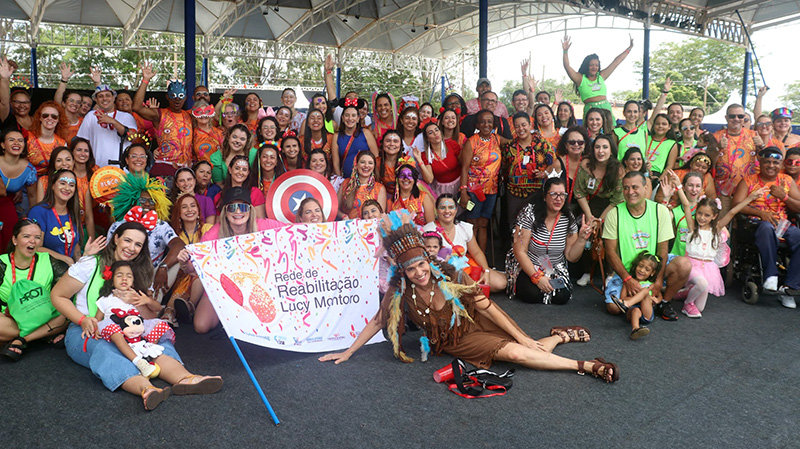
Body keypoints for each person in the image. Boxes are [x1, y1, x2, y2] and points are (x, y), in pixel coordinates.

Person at [319, 212, 618, 384]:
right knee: (517, 353)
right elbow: (377, 321)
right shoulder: (400, 290)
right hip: (456, 342)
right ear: (403, 271)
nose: (419, 272)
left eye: (422, 264)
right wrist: (348, 352)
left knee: (522, 349)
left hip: (478, 322)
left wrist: (523, 336)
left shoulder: (450, 275)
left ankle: (583, 363)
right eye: (411, 269)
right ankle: (565, 344)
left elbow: (489, 308)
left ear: (428, 260)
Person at [51, 221, 223, 411]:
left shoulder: (138, 273)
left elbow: (148, 317)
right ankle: (147, 389)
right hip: (88, 331)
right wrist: (83, 320)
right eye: (127, 240)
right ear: (116, 239)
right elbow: (57, 295)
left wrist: (136, 300)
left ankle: (186, 379)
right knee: (105, 349)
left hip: (131, 329)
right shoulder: (90, 264)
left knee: (157, 342)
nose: (131, 248)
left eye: (138, 244)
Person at [176, 187, 285, 333]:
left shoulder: (264, 226)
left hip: (257, 287)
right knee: (201, 326)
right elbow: (193, 268)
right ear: (225, 212)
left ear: (250, 210)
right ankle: (227, 314)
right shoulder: (213, 233)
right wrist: (184, 262)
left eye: (242, 207)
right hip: (222, 289)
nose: (238, 212)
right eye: (232, 207)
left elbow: (294, 233)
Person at [668, 170, 766, 317]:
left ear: (714, 216)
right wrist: (678, 186)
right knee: (702, 284)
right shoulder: (692, 227)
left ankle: (686, 293)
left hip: (708, 268)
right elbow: (687, 205)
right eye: (700, 214)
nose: (701, 218)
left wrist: (751, 197)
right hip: (692, 265)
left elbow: (733, 212)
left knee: (700, 307)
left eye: (707, 215)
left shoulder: (716, 229)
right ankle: (687, 304)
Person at [603, 171, 691, 321]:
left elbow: (663, 250)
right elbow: (610, 252)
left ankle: (663, 301)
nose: (630, 192)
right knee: (613, 308)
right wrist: (628, 279)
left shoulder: (660, 211)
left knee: (684, 265)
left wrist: (657, 280)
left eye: (635, 187)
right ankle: (643, 299)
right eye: (626, 188)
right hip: (627, 270)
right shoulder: (614, 214)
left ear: (645, 188)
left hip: (653, 268)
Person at [507, 178, 593, 304]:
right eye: (553, 194)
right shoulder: (529, 213)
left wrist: (581, 239)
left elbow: (571, 257)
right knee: (532, 293)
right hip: (530, 264)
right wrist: (537, 278)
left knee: (561, 296)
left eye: (562, 195)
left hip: (554, 268)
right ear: (544, 197)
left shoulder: (568, 218)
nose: (558, 199)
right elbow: (520, 251)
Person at [732, 148, 800, 301]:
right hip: (755, 224)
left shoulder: (786, 181)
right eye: (767, 162)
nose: (771, 165)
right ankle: (771, 276)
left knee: (798, 236)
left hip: (781, 224)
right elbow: (736, 204)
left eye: (776, 162)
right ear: (760, 163)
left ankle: (791, 285)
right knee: (766, 227)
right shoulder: (748, 180)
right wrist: (760, 213)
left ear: (780, 164)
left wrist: (785, 197)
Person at [0, 219, 71, 361]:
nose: (32, 241)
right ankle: (42, 336)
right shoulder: (2, 263)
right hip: (12, 320)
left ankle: (21, 341)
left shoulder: (48, 261)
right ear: (14, 240)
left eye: (37, 237)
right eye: (26, 236)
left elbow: (69, 289)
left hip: (45, 317)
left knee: (68, 314)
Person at [107, 173, 182, 304]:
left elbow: (180, 245)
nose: (147, 204)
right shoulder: (118, 225)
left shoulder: (161, 225)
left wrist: (163, 267)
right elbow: (108, 254)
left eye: (151, 201)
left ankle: (153, 301)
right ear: (133, 201)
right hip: (123, 274)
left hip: (151, 276)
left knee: (178, 261)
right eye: (142, 201)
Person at [93, 260, 174, 378]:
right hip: (119, 333)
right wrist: (96, 328)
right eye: (119, 275)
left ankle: (147, 354)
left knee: (158, 324)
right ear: (111, 282)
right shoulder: (105, 300)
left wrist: (146, 300)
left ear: (134, 282)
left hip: (137, 331)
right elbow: (98, 319)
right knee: (113, 329)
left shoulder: (136, 296)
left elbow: (156, 309)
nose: (124, 279)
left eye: (129, 276)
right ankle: (138, 361)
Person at [423, 194, 506, 293]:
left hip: (465, 267)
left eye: (450, 207)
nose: (447, 211)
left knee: (501, 283)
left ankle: (496, 274)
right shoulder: (428, 230)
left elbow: (476, 253)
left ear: (456, 210)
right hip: (441, 272)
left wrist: (486, 271)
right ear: (437, 210)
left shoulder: (464, 228)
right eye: (442, 207)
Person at [162, 193, 214, 327]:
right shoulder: (175, 235)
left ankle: (179, 309)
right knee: (187, 278)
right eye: (184, 207)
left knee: (196, 274)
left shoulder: (208, 228)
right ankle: (180, 309)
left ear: (198, 211)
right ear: (179, 213)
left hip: (205, 275)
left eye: (193, 206)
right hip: (181, 274)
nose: (189, 210)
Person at [133, 63, 193, 178]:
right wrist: (145, 80)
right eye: (173, 96)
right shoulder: (159, 114)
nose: (177, 99)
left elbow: (209, 116)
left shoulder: (190, 116)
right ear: (167, 97)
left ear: (185, 98)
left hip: (186, 171)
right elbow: (136, 107)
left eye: (180, 96)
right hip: (164, 168)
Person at [460, 109, 504, 252]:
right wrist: (463, 192)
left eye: (489, 121)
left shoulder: (497, 139)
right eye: (483, 121)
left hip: (491, 191)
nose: (486, 124)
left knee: (484, 224)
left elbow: (515, 142)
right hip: (473, 192)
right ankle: (471, 258)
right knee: (472, 224)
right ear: (477, 124)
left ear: (493, 124)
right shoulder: (471, 142)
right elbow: (464, 168)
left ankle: (482, 258)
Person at [503, 112, 557, 227]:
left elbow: (555, 163)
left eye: (523, 125)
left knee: (537, 224)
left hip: (537, 193)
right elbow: (504, 166)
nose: (520, 129)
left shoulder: (542, 144)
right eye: (517, 126)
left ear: (530, 125)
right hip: (514, 194)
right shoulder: (509, 146)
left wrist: (544, 173)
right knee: (514, 224)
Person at [562, 34, 633, 121]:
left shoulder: (601, 76)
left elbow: (616, 62)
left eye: (596, 65)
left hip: (606, 109)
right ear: (586, 66)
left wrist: (629, 48)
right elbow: (567, 67)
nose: (594, 67)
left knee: (609, 133)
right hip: (590, 110)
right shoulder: (580, 79)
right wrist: (565, 52)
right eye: (591, 65)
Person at [28, 169, 83, 264]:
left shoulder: (73, 212)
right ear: (53, 186)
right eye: (62, 183)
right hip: (45, 267)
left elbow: (74, 244)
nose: (67, 188)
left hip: (68, 269)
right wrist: (64, 259)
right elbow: (35, 247)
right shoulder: (39, 211)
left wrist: (80, 264)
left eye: (71, 185)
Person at [713, 103, 760, 216]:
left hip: (748, 189)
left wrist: (761, 147)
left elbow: (764, 161)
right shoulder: (716, 136)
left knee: (746, 225)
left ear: (744, 117)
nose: (736, 119)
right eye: (732, 116)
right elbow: (709, 161)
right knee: (721, 223)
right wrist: (717, 148)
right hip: (723, 189)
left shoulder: (754, 135)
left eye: (740, 116)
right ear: (726, 118)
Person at [76, 84, 138, 167]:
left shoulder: (126, 116)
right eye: (100, 96)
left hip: (121, 169)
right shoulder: (91, 116)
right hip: (96, 169)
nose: (104, 98)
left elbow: (133, 137)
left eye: (108, 95)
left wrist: (113, 122)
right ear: (96, 99)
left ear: (113, 98)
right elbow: (81, 142)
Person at [608, 251, 660, 340]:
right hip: (632, 312)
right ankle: (635, 329)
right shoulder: (628, 283)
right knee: (635, 310)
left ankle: (627, 304)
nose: (642, 270)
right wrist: (638, 298)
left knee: (645, 292)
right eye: (640, 266)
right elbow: (623, 298)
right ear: (636, 265)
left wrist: (657, 300)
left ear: (652, 273)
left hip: (647, 312)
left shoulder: (650, 284)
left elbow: (660, 295)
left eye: (647, 269)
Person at [0, 129, 38, 250]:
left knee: (9, 240)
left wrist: (32, 222)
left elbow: (32, 198)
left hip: (7, 205)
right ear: (2, 145)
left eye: (20, 140)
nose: (16, 143)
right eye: (11, 140)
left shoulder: (29, 170)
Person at [574, 135, 625, 224]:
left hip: (610, 210)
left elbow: (617, 200)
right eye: (597, 147)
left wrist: (599, 221)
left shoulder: (619, 171)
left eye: (605, 147)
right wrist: (589, 216)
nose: (600, 151)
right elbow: (579, 192)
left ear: (611, 151)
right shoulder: (586, 165)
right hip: (588, 208)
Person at [613, 85, 670, 159]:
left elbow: (657, 109)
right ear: (624, 113)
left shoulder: (646, 126)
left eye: (636, 111)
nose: (632, 114)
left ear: (644, 112)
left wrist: (664, 93)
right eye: (629, 111)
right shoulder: (617, 131)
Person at [331, 100, 379, 178]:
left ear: (358, 119)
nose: (350, 118)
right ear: (342, 118)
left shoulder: (366, 133)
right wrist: (339, 180)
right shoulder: (336, 136)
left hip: (365, 180)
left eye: (353, 115)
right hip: (346, 180)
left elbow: (376, 157)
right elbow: (335, 162)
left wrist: (377, 177)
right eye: (347, 115)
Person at [419, 120, 462, 200]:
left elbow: (464, 164)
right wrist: (419, 160)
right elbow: (429, 179)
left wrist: (464, 186)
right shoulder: (425, 155)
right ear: (428, 139)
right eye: (431, 133)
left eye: (436, 130)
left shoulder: (452, 145)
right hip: (442, 190)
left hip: (460, 185)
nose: (435, 134)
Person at [337, 151, 387, 220]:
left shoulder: (379, 188)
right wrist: (343, 216)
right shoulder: (346, 183)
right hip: (349, 227)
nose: (366, 165)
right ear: (356, 165)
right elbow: (335, 208)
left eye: (370, 163)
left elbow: (380, 215)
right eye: (363, 162)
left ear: (374, 167)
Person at [26, 101, 69, 176]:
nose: (50, 118)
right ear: (40, 118)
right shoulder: (27, 137)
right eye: (45, 115)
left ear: (59, 119)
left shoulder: (62, 143)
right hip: (28, 182)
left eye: (54, 116)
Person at [70, 138, 97, 239]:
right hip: (70, 224)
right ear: (72, 152)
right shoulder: (66, 174)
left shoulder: (96, 172)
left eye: (86, 151)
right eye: (79, 150)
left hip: (93, 220)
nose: (83, 153)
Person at [378, 129, 403, 199]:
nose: (392, 144)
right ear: (383, 144)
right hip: (383, 197)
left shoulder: (407, 161)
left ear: (401, 145)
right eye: (388, 141)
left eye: (395, 141)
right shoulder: (377, 163)